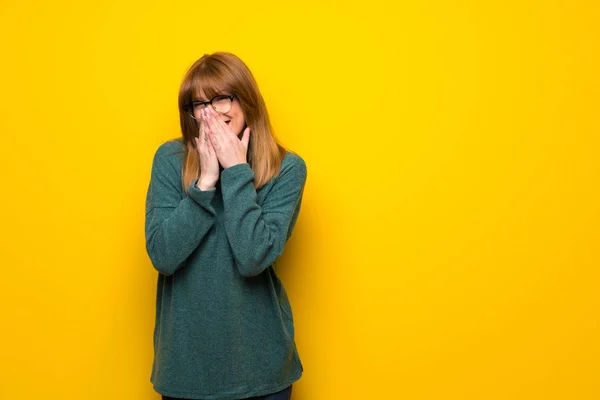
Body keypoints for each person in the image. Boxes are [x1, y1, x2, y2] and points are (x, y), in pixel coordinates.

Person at [144, 52, 307, 400]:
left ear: (245, 99)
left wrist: (235, 173)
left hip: (261, 371)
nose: (212, 111)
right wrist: (204, 183)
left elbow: (252, 258)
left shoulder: (286, 169)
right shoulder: (169, 161)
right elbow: (162, 255)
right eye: (200, 103)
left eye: (222, 97)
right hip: (185, 371)